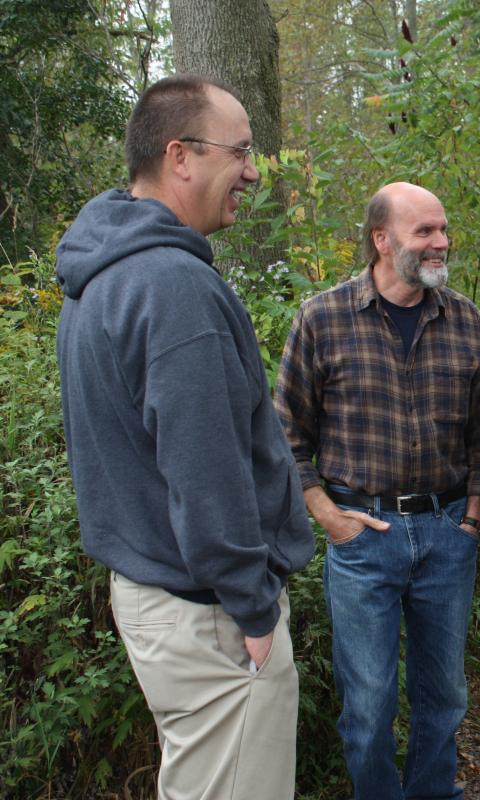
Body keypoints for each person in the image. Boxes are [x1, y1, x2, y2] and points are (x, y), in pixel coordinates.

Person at [55, 74, 315, 799]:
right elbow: (205, 468)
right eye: (241, 152)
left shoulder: (103, 275)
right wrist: (253, 606)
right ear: (181, 157)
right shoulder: (170, 286)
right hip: (209, 612)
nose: (255, 172)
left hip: (159, 593)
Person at [274, 181, 480, 799]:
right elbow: (285, 432)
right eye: (424, 231)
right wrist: (328, 515)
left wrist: (473, 518)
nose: (440, 242)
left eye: (443, 228)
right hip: (362, 537)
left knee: (445, 698)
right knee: (369, 705)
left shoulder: (463, 319)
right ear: (381, 239)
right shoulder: (322, 318)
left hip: (446, 531)